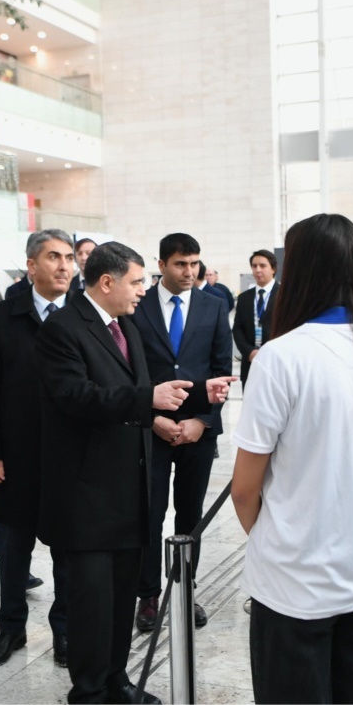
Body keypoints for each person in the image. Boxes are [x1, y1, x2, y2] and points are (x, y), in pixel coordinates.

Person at [35, 241, 234, 705]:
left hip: (130, 486)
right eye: (136, 282)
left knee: (123, 596)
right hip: (85, 495)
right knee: (90, 606)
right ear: (107, 283)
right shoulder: (63, 329)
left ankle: (116, 680)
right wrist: (147, 400)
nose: (142, 291)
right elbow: (75, 397)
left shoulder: (124, 327)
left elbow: (148, 390)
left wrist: (196, 397)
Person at [230, 213, 353, 705]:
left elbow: (245, 488)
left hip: (294, 589)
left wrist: (279, 537)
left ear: (295, 270)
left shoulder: (278, 357)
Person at [0, 229, 76, 670]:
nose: (64, 266)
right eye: (53, 257)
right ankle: (11, 626)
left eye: (69, 257)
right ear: (31, 265)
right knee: (13, 550)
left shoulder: (82, 313)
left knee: (67, 553)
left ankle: (65, 630)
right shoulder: (3, 316)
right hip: (16, 457)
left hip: (69, 458)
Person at [131, 233, 233, 632]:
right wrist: (149, 416)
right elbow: (130, 371)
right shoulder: (138, 308)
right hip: (150, 429)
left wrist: (203, 421)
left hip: (195, 434)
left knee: (189, 518)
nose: (189, 272)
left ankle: (185, 591)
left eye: (194, 263)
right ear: (161, 265)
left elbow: (220, 370)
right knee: (150, 516)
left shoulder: (214, 306)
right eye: (180, 264)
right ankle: (149, 597)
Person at [232, 250, 279, 385]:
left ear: (273, 269)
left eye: (263, 266)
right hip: (250, 363)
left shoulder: (285, 296)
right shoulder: (244, 298)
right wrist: (249, 352)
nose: (258, 270)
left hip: (275, 362)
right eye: (254, 266)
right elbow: (238, 329)